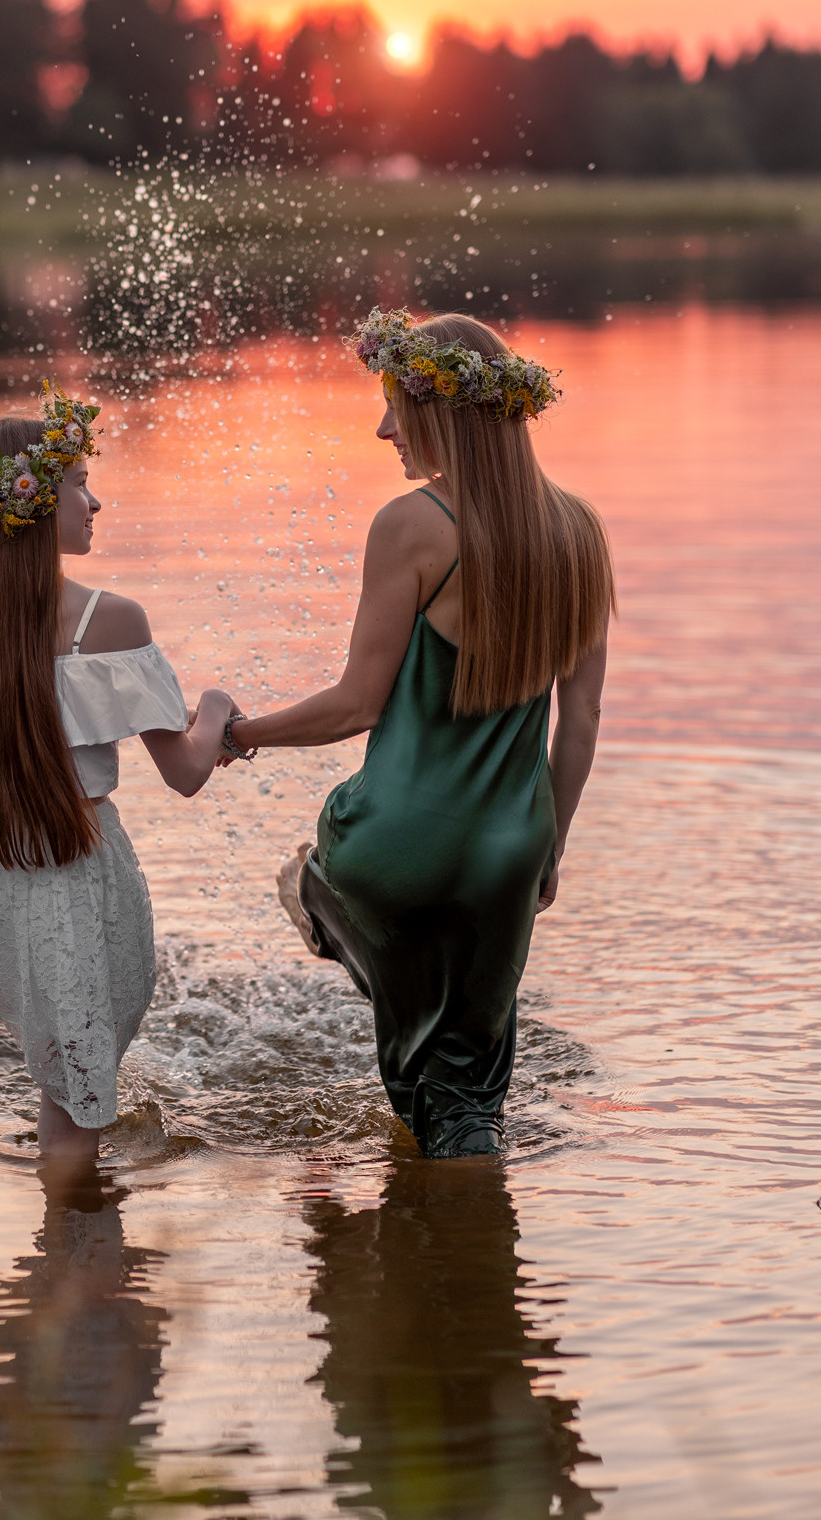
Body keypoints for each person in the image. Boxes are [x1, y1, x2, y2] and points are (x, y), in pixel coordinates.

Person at [224, 311, 614, 1157]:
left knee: (430, 1084)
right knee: (468, 1098)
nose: (383, 429)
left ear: (442, 413)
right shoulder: (581, 531)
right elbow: (580, 719)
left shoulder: (412, 524)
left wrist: (240, 731)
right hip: (509, 850)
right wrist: (549, 847)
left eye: (396, 408)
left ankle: (321, 901)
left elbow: (356, 706)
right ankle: (464, 1239)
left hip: (395, 842)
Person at [0, 391, 233, 1163]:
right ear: (37, 501)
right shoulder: (111, 620)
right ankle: (75, 1226)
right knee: (79, 1090)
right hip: (79, 862)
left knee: (65, 1080)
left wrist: (0, 794)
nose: (95, 501)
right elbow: (185, 771)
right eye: (80, 483)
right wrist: (213, 708)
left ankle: (70, 1224)